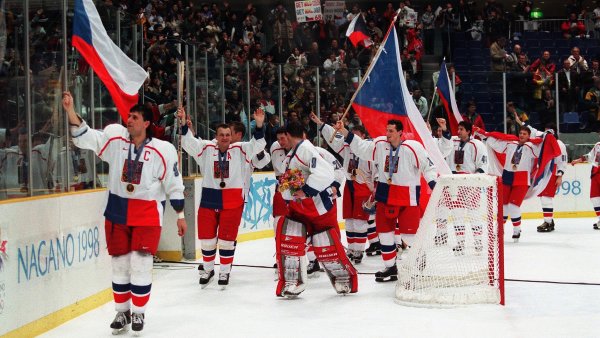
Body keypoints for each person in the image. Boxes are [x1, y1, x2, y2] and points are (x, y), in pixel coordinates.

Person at [63, 92, 187, 335]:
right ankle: (122, 312)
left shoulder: (163, 149)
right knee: (119, 264)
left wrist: (180, 215)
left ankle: (139, 313)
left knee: (140, 264)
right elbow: (87, 138)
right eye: (129, 116)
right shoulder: (116, 139)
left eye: (135, 117)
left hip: (147, 214)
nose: (129, 120)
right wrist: (70, 110)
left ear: (147, 123)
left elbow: (174, 183)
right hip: (117, 211)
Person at [336, 119, 437, 282]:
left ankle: (419, 262)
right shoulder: (380, 144)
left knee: (409, 236)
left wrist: (433, 183)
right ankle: (390, 267)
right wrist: (345, 132)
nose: (387, 134)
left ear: (400, 132)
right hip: (385, 197)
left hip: (407, 198)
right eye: (387, 130)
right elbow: (361, 148)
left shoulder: (413, 148)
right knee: (385, 235)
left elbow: (429, 167)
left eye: (391, 131)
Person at [178, 107, 266, 290]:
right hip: (209, 199)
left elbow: (258, 145)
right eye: (221, 135)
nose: (225, 137)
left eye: (228, 134)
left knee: (227, 239)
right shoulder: (207, 148)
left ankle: (224, 270)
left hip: (232, 200)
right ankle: (208, 269)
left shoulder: (240, 149)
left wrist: (259, 124)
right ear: (216, 136)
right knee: (207, 238)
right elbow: (189, 144)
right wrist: (183, 124)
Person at [275, 121, 357, 298]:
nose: (282, 141)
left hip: (318, 207)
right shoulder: (292, 155)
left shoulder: (308, 150)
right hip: (299, 208)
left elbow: (328, 172)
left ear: (289, 135)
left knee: (325, 242)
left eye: (283, 137)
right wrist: (289, 194)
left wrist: (307, 191)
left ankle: (342, 278)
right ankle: (293, 281)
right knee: (290, 240)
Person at [311, 112, 376, 264]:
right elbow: (334, 140)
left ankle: (359, 251)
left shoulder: (369, 148)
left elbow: (376, 170)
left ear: (363, 136)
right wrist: (321, 124)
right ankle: (352, 249)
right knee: (349, 220)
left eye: (356, 135)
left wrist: (375, 189)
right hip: (350, 185)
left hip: (363, 186)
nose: (352, 137)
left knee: (360, 221)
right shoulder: (347, 146)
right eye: (351, 134)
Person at [474, 126, 538, 242]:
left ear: (529, 136)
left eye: (525, 134)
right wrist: (483, 135)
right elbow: (496, 144)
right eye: (521, 133)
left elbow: (543, 149)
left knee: (513, 206)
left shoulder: (531, 147)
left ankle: (517, 229)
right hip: (507, 175)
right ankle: (500, 230)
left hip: (522, 178)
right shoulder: (511, 144)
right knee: (503, 206)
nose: (522, 135)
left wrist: (541, 138)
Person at [438, 120, 489, 252]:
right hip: (454, 182)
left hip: (470, 183)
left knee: (474, 214)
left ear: (468, 131)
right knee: (457, 214)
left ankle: (478, 242)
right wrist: (443, 128)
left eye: (461, 129)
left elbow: (483, 165)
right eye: (458, 129)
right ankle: (460, 243)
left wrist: (475, 180)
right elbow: (443, 145)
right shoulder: (453, 142)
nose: (458, 131)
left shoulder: (477, 144)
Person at [514, 113, 567, 232]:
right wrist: (520, 122)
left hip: (552, 172)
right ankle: (549, 221)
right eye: (545, 131)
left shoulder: (559, 144)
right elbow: (532, 130)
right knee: (543, 197)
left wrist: (560, 175)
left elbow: (562, 160)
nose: (546, 133)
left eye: (548, 131)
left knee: (546, 198)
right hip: (544, 171)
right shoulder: (544, 139)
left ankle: (548, 222)